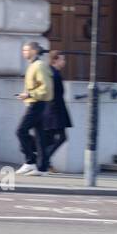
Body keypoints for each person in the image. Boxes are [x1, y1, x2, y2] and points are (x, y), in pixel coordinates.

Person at [15, 41, 54, 176]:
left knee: (20, 131)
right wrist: (25, 95)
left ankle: (30, 161)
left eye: (26, 50)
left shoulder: (39, 66)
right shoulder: (33, 65)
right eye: (23, 50)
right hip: (36, 103)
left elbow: (46, 88)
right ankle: (42, 169)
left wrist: (29, 94)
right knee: (40, 137)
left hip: (37, 104)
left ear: (34, 51)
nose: (24, 52)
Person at [42, 50, 71, 172]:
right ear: (55, 60)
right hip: (54, 110)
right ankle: (44, 158)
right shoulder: (53, 74)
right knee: (62, 137)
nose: (64, 62)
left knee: (51, 138)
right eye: (62, 59)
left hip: (54, 110)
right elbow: (52, 94)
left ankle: (46, 162)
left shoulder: (54, 73)